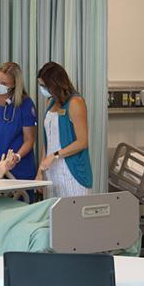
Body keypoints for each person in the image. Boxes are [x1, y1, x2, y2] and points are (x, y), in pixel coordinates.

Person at [36, 62, 92, 197]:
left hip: (72, 171)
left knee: (73, 215)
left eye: (44, 85)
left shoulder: (76, 103)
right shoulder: (51, 103)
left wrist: (55, 156)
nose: (42, 89)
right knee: (53, 215)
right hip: (51, 170)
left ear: (55, 84)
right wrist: (40, 171)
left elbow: (82, 142)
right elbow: (48, 140)